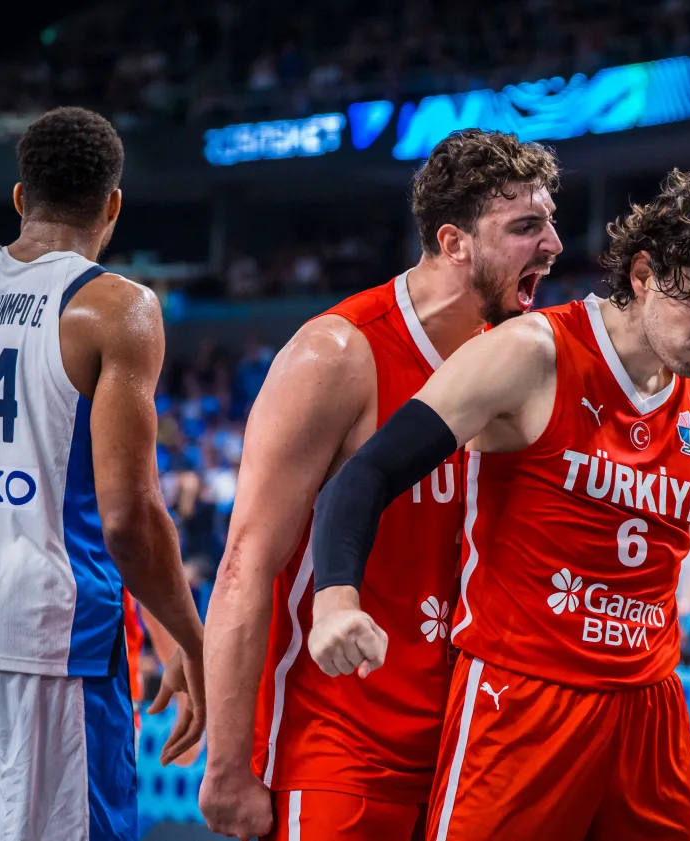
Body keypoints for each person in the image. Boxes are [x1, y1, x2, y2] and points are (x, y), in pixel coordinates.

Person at [308, 168, 690, 840]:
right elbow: (366, 473)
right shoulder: (531, 354)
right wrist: (336, 598)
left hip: (648, 717)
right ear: (641, 275)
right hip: (522, 700)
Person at [198, 129, 562, 841]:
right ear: (455, 242)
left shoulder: (517, 359)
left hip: (468, 751)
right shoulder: (337, 352)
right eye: (525, 226)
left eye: (550, 223)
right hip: (337, 749)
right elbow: (245, 563)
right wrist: (228, 764)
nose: (552, 244)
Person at [0, 107, 204, 841]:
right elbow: (130, 518)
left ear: (17, 196)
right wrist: (192, 640)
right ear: (113, 205)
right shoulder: (116, 307)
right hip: (45, 636)